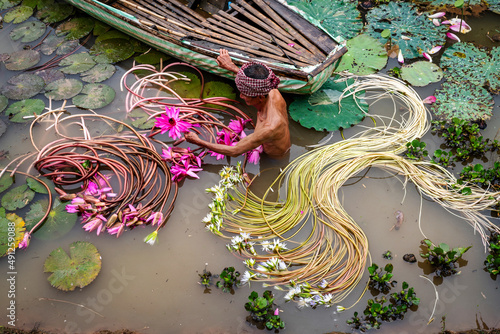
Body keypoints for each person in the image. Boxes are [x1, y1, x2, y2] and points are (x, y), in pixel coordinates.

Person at [185, 49, 291, 160]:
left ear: (260, 97)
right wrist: (231, 66)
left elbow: (234, 151)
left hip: (274, 158)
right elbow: (254, 82)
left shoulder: (269, 128)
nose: (241, 96)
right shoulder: (271, 90)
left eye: (245, 94)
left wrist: (198, 141)